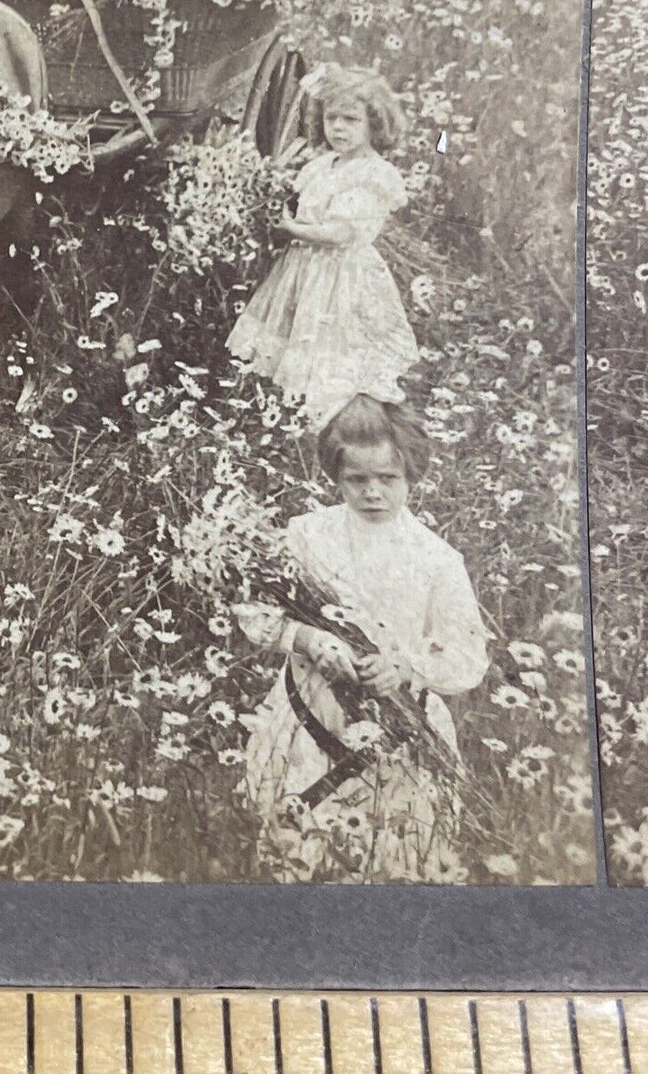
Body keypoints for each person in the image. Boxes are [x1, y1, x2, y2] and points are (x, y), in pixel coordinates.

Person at [233, 395, 490, 883]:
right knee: (300, 854)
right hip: (309, 715)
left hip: (399, 729)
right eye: (357, 479)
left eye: (388, 479)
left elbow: (467, 654)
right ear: (336, 477)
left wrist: (407, 666)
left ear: (412, 474)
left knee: (394, 858)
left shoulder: (436, 558)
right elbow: (255, 612)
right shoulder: (305, 535)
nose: (373, 492)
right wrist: (307, 638)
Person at [225, 63, 418, 427]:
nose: (339, 128)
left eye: (351, 120)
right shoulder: (322, 165)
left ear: (374, 124)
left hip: (342, 271)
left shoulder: (372, 174)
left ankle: (341, 416)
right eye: (332, 118)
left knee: (336, 342)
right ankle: (297, 411)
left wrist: (291, 229)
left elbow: (341, 233)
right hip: (306, 266)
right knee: (304, 337)